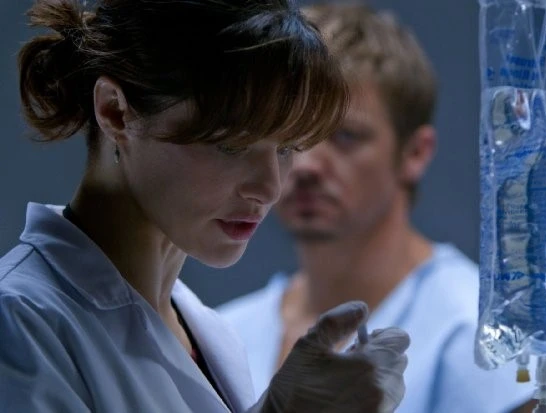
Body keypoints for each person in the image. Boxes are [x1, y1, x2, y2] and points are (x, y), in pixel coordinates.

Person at [0, 0, 410, 412]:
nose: (269, 188)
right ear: (115, 111)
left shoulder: (209, 332)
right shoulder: (19, 320)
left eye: (286, 147)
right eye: (231, 144)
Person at [218, 3, 546, 412]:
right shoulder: (224, 335)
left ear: (415, 153)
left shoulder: (477, 342)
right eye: (291, 139)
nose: (306, 166)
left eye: (346, 137)